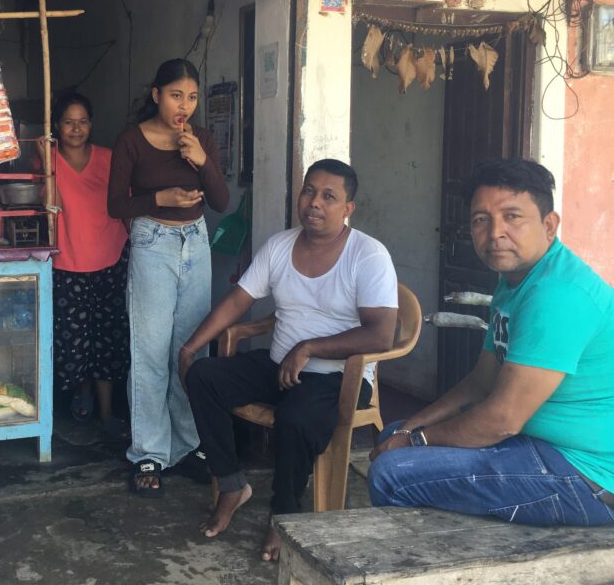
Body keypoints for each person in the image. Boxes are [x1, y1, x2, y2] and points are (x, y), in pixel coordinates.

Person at [368, 158, 614, 527]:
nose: (495, 232)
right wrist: (409, 431)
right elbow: (481, 382)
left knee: (393, 471)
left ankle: (432, 566)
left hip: (585, 476)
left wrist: (416, 442)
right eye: (481, 219)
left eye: (512, 216)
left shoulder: (557, 295)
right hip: (536, 445)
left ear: (549, 225)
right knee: (393, 434)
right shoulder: (514, 280)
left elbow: (502, 419)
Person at [179, 159, 398, 561]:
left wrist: (310, 348)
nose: (314, 202)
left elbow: (382, 333)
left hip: (339, 378)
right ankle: (231, 484)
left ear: (348, 208)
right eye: (309, 191)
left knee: (295, 418)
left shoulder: (368, 254)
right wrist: (191, 348)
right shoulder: (280, 245)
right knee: (204, 375)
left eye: (328, 196)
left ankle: (284, 514)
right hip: (280, 366)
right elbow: (238, 301)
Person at [108, 58, 230, 497]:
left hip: (196, 244)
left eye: (192, 97)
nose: (185, 105)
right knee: (150, 352)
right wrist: (158, 197)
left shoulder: (203, 140)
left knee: (189, 348)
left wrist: (201, 159)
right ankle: (148, 451)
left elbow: (219, 200)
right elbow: (114, 206)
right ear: (157, 95)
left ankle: (188, 443)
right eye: (176, 95)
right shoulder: (131, 141)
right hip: (152, 243)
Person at [36, 91, 131, 437]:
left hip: (110, 258)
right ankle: (82, 394)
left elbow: (125, 204)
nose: (76, 128)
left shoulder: (109, 158)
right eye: (68, 122)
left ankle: (107, 412)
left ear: (91, 124)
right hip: (67, 261)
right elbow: (48, 203)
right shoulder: (47, 161)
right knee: (74, 341)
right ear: (56, 126)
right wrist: (44, 157)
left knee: (108, 337)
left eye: (83, 121)